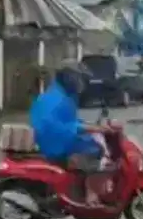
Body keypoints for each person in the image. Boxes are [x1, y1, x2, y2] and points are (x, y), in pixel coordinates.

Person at [29, 60, 108, 206]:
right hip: (54, 141)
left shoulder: (62, 95)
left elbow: (68, 120)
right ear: (69, 78)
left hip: (58, 137)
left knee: (93, 141)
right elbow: (54, 125)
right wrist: (85, 128)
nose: (82, 83)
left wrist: (89, 126)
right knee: (95, 149)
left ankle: (81, 186)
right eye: (79, 78)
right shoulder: (57, 98)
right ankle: (90, 194)